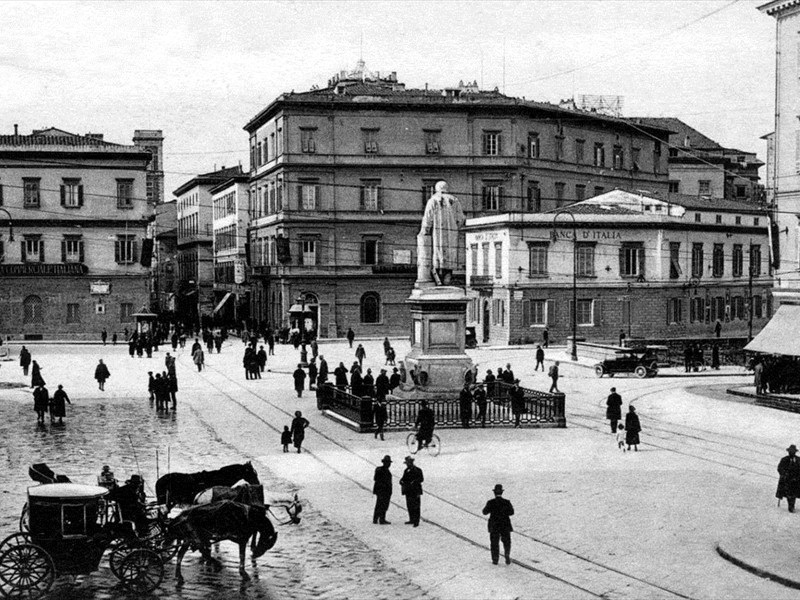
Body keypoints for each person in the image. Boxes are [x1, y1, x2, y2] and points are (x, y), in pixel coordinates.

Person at [417, 181, 466, 285]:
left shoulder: (433, 200)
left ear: (436, 188)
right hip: (452, 235)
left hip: (438, 233)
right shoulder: (455, 200)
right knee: (451, 258)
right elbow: (461, 218)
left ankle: (439, 282)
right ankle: (447, 280)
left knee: (438, 256)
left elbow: (427, 219)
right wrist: (456, 227)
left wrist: (424, 232)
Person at [482, 484, 514, 565]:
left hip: (494, 525)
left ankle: (495, 559)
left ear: (494, 493)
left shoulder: (490, 502)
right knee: (507, 541)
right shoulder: (507, 502)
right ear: (502, 492)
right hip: (505, 525)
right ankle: (507, 554)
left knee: (494, 543)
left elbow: (484, 512)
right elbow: (511, 512)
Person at [399, 456, 424, 527]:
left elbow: (421, 479)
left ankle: (416, 521)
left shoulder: (418, 470)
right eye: (407, 463)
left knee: (416, 506)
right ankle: (411, 519)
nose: (407, 464)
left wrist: (414, 482)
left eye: (408, 463)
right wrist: (401, 481)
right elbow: (403, 478)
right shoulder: (406, 470)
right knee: (409, 505)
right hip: (408, 491)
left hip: (415, 490)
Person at [777, 444, 800, 512]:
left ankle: (792, 505)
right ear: (788, 452)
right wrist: (784, 474)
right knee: (789, 494)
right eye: (790, 451)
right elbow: (779, 468)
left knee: (794, 493)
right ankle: (791, 506)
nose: (791, 452)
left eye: (793, 451)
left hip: (796, 480)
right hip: (787, 480)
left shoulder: (799, 460)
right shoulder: (784, 459)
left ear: (795, 452)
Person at [373, 455, 393, 524]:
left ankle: (376, 519)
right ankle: (381, 519)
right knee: (382, 505)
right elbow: (377, 479)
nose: (389, 464)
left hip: (382, 491)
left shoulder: (379, 469)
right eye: (388, 463)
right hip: (383, 491)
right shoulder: (382, 470)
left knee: (380, 504)